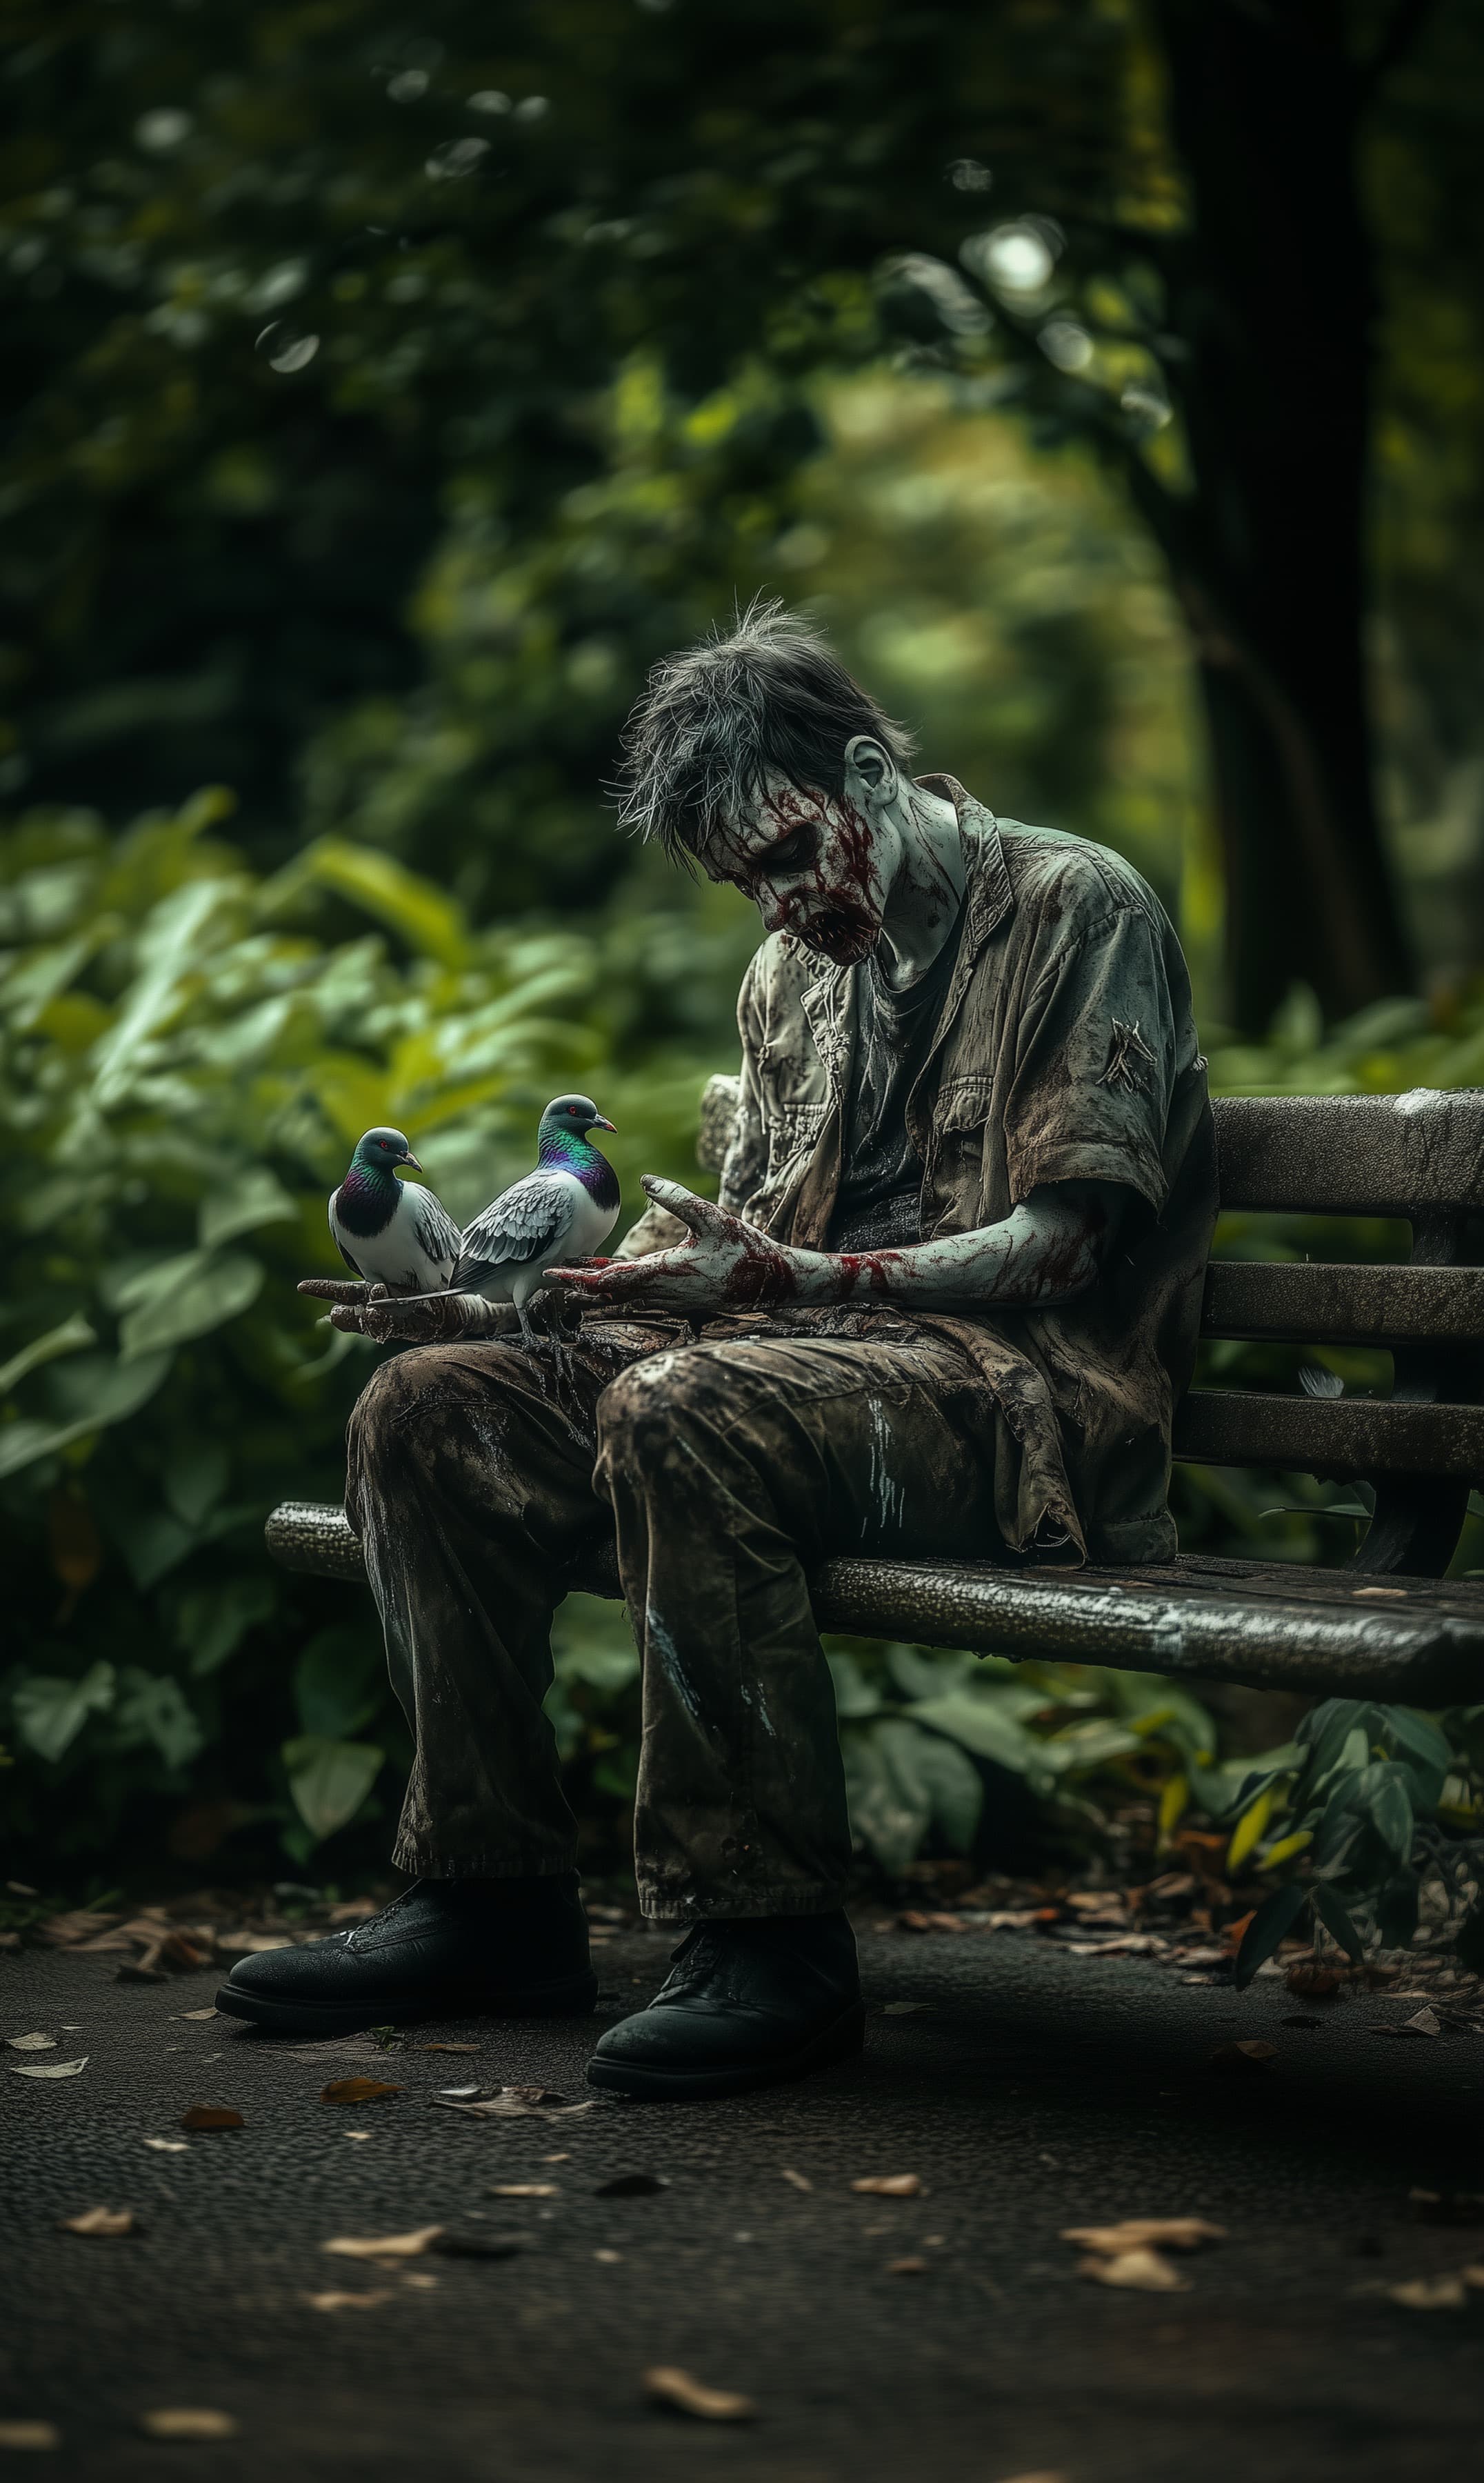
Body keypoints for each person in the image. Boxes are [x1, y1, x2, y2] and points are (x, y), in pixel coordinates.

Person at [218, 601, 1216, 2096]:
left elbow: (1064, 1244)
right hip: (796, 1377)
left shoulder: (1078, 907)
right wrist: (516, 1310)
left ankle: (768, 1943)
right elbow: (735, 1275)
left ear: (872, 779)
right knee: (428, 1406)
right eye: (743, 883)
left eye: (791, 853)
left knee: (689, 1412)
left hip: (1027, 1405)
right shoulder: (790, 980)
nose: (778, 905)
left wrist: (792, 1280)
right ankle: (485, 1899)